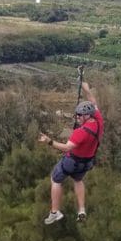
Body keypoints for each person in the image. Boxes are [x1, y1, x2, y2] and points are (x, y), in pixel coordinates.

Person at [39, 81, 102, 224]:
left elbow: (67, 148)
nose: (77, 117)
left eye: (80, 115)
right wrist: (87, 89)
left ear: (86, 116)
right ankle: (81, 210)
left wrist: (49, 141)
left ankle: (55, 212)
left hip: (72, 162)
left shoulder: (80, 132)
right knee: (78, 180)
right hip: (87, 162)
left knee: (55, 179)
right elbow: (93, 102)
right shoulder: (98, 121)